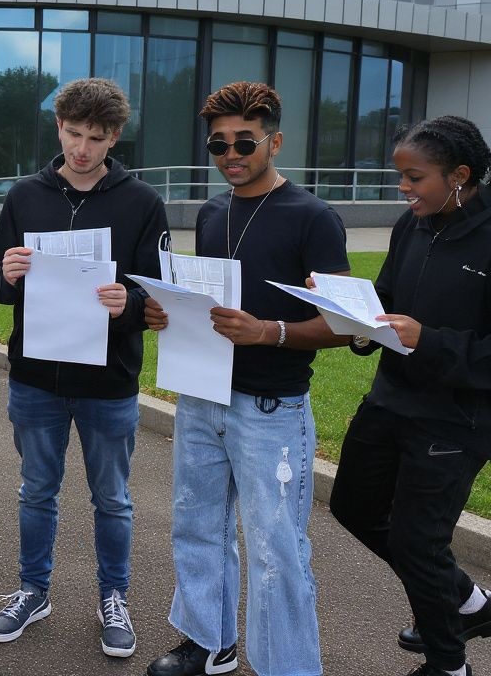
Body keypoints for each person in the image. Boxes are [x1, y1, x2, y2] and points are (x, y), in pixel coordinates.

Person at [328, 116, 491, 676]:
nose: (403, 189)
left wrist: (428, 340)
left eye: (414, 177)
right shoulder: (414, 225)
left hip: (459, 419)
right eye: (400, 176)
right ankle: (469, 603)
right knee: (351, 505)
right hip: (393, 398)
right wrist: (350, 311)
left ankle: (448, 663)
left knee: (415, 541)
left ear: (460, 175)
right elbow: (387, 298)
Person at [144, 81, 349, 676]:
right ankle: (210, 643)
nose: (230, 154)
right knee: (196, 527)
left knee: (276, 548)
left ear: (275, 141)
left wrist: (268, 332)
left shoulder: (313, 218)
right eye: (218, 143)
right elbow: (207, 302)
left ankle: (287, 667)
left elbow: (344, 327)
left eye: (244, 141)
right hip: (201, 392)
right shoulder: (212, 213)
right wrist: (167, 314)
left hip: (271, 409)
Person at [0, 77, 168, 659]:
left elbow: (153, 293)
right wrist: (8, 275)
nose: (81, 149)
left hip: (107, 381)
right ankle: (33, 590)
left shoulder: (142, 203)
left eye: (94, 137)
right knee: (37, 490)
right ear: (57, 126)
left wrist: (129, 304)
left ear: (114, 137)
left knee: (111, 497)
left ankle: (113, 595)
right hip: (35, 376)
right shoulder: (25, 196)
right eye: (72, 133)